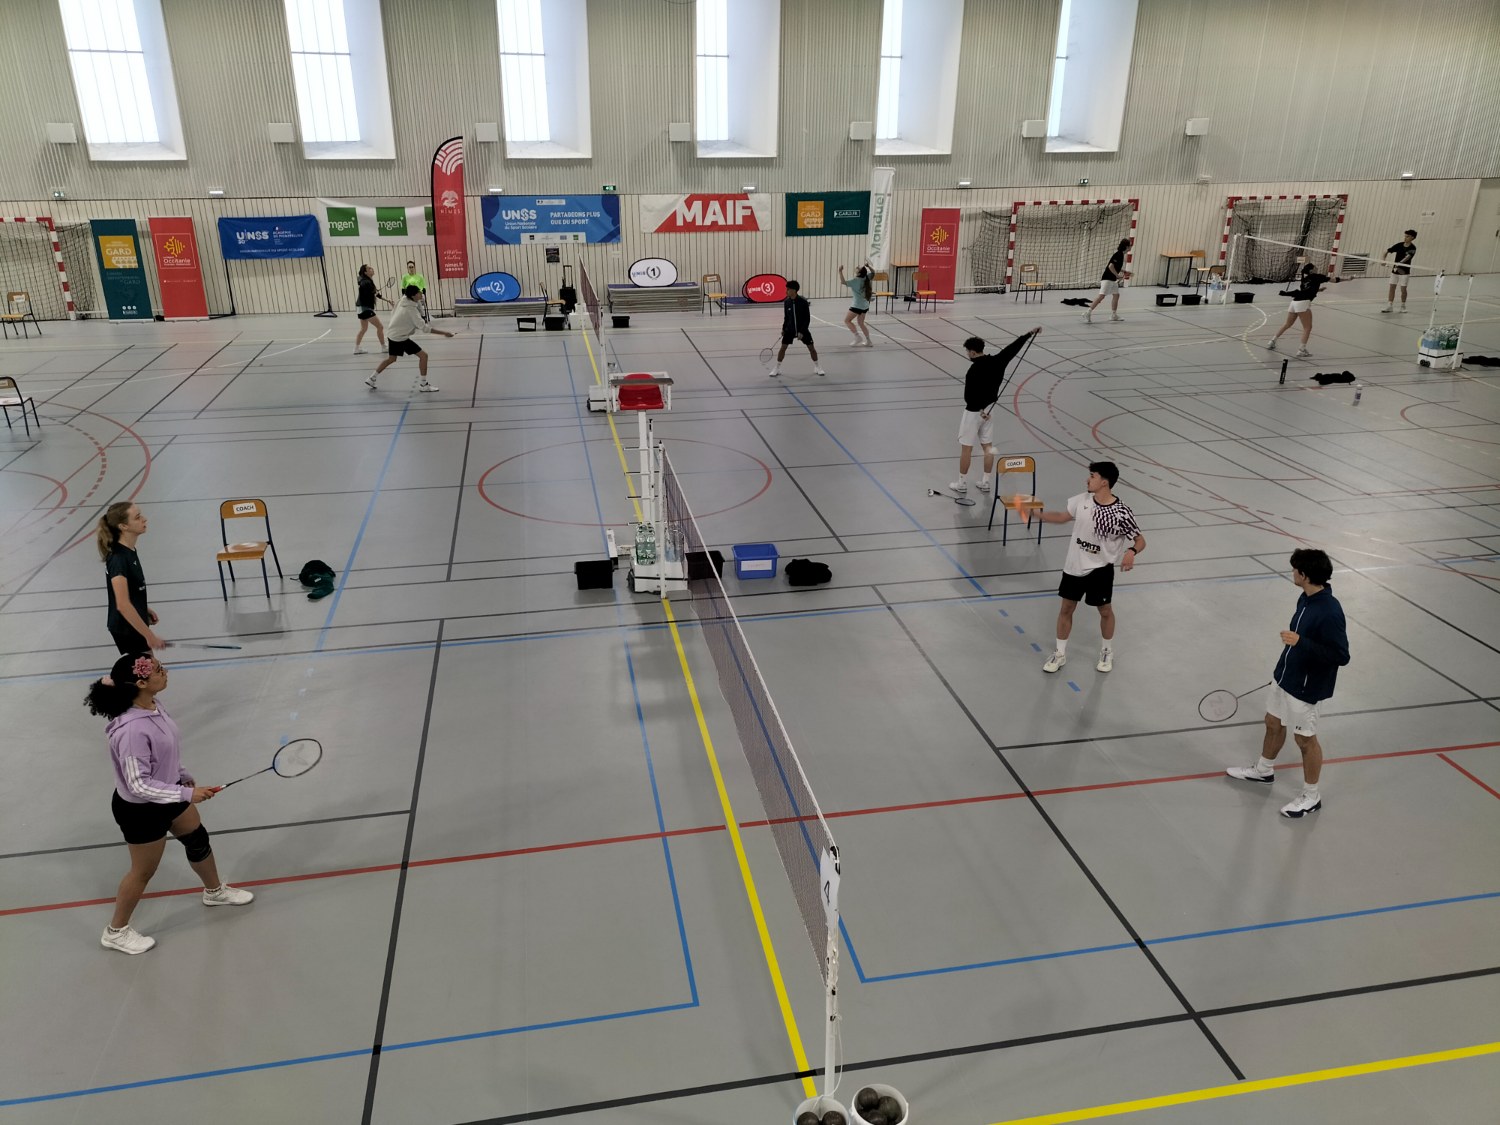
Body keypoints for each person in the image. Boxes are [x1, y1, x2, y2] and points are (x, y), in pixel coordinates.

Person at [86, 653, 254, 955]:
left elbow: (166, 750)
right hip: (141, 810)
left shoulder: (153, 705)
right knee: (142, 872)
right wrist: (187, 794)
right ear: (141, 682)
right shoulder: (131, 730)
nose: (166, 672)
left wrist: (181, 774)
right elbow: (139, 784)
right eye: (159, 670)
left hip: (169, 791)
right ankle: (116, 932)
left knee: (197, 839)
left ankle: (214, 891)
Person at [1226, 548, 1350, 818]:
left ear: (1304, 575)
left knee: (1305, 740)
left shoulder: (1330, 611)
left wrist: (1301, 642)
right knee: (1273, 722)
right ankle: (1263, 770)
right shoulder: (1305, 598)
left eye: (1295, 569)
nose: (1292, 573)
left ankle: (1311, 796)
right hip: (1286, 677)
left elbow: (1341, 655)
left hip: (1306, 688)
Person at [1032, 461, 1145, 674]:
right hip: (1074, 566)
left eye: (1092, 476)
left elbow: (1140, 540)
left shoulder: (1121, 512)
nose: (1087, 479)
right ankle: (1060, 653)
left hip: (1101, 569)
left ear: (1104, 482)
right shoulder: (1082, 500)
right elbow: (1062, 517)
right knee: (1066, 609)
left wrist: (1131, 552)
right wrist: (1037, 514)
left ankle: (1106, 651)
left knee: (1105, 611)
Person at [951, 328, 1042, 495]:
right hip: (990, 411)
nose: (967, 354)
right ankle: (985, 482)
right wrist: (1028, 334)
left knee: (966, 449)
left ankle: (961, 483)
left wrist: (978, 409)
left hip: (973, 413)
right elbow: (1013, 348)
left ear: (972, 352)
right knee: (988, 447)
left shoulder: (973, 371)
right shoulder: (999, 361)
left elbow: (968, 397)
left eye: (967, 352)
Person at [98, 502, 162, 652]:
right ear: (123, 526)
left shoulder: (129, 550)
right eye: (137, 517)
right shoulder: (118, 559)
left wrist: (143, 608)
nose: (144, 519)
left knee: (150, 665)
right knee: (148, 666)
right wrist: (150, 636)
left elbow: (130, 590)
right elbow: (122, 604)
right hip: (127, 627)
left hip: (132, 623)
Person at [366, 284, 455, 392]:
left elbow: (399, 309)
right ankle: (423, 385)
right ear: (413, 295)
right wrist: (445, 333)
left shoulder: (403, 299)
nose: (421, 293)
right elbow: (425, 328)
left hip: (392, 334)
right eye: (419, 292)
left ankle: (372, 378)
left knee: (391, 359)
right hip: (400, 337)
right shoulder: (411, 310)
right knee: (424, 356)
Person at [1266, 260, 1328, 358]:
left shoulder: (1305, 279)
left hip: (1294, 303)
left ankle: (1272, 341)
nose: (1316, 268)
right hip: (1302, 304)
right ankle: (1301, 350)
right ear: (1311, 270)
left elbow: (1305, 290)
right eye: (1314, 267)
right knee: (1307, 328)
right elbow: (1334, 279)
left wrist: (1318, 290)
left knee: (1287, 324)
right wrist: (1349, 278)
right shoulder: (1316, 277)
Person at [769, 280, 824, 377]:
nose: (786, 291)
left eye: (788, 289)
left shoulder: (803, 302)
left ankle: (817, 366)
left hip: (802, 329)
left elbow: (807, 319)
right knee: (783, 348)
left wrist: (802, 331)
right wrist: (783, 329)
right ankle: (777, 368)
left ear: (794, 290)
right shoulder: (787, 302)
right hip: (789, 330)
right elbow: (786, 317)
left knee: (811, 348)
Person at [1084, 239, 1132, 323]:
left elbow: (1116, 267)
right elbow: (1110, 266)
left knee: (1116, 295)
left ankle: (1114, 315)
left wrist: (1124, 271)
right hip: (1108, 278)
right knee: (1101, 296)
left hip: (1112, 280)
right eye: (1130, 245)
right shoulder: (1118, 254)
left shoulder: (1121, 255)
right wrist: (1117, 275)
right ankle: (1087, 312)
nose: (1131, 247)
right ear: (1126, 246)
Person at [353, 264, 392, 354]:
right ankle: (383, 347)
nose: (372, 269)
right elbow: (365, 287)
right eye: (369, 268)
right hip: (365, 308)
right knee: (380, 327)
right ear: (365, 272)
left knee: (363, 329)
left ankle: (356, 348)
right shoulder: (366, 282)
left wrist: (388, 300)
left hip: (360, 308)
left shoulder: (368, 281)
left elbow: (376, 294)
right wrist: (371, 290)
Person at [1380, 229, 1418, 313]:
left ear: (1412, 238)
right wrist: (1383, 260)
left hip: (1404, 272)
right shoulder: (1399, 245)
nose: (1405, 238)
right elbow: (1386, 251)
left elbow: (1407, 258)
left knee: (1403, 289)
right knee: (1392, 287)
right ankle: (1389, 306)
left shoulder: (1413, 248)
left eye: (1407, 236)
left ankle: (1403, 306)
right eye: (1405, 236)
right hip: (1395, 271)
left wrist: (1399, 264)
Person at [839, 262, 874, 346]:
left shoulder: (855, 281)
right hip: (865, 305)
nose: (857, 267)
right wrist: (869, 266)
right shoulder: (867, 277)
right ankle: (869, 341)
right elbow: (873, 272)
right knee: (861, 323)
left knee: (847, 321)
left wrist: (840, 271)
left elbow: (843, 282)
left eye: (858, 267)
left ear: (859, 272)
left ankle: (857, 337)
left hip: (857, 306)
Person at [401, 258, 430, 322]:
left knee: (417, 301)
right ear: (407, 268)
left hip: (418, 294)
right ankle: (410, 318)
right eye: (409, 267)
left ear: (414, 267)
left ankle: (422, 316)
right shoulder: (404, 277)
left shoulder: (420, 276)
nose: (411, 268)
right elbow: (403, 288)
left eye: (412, 267)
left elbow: (424, 288)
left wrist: (420, 293)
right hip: (408, 295)